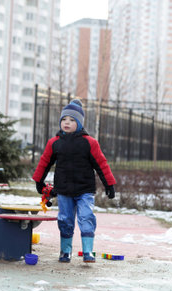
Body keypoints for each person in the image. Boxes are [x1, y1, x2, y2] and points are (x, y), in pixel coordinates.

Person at [32, 99, 116, 263]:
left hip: (85, 190)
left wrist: (109, 184)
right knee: (65, 220)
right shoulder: (54, 143)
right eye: (64, 119)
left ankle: (87, 252)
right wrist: (39, 181)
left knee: (86, 218)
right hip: (63, 190)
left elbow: (101, 164)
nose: (67, 123)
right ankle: (65, 251)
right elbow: (44, 162)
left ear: (79, 123)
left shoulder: (90, 143)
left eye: (71, 120)